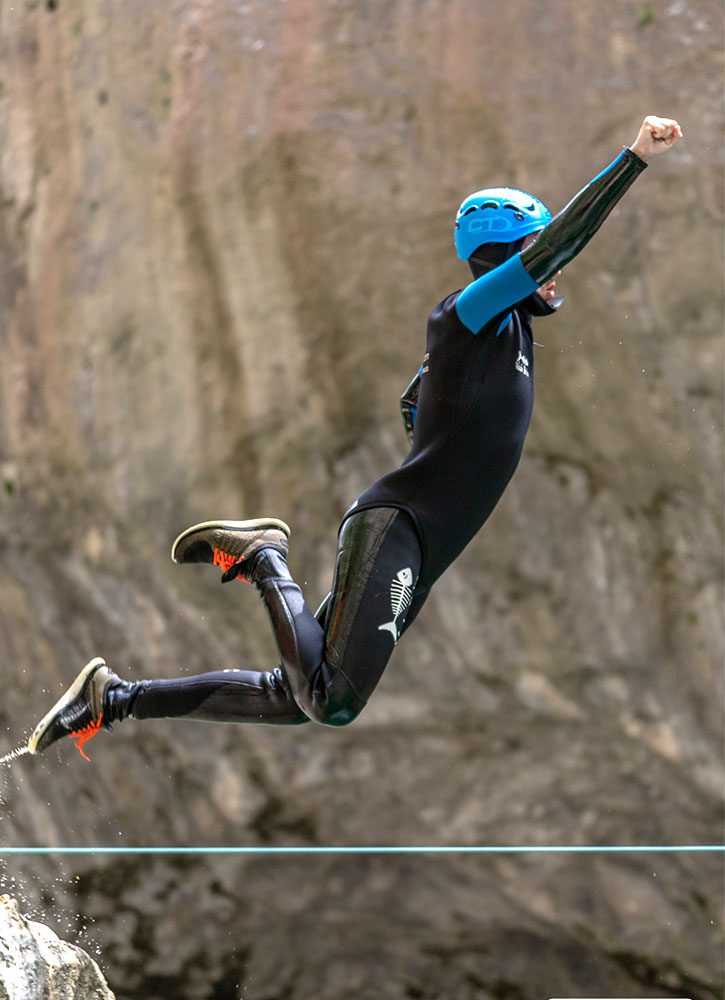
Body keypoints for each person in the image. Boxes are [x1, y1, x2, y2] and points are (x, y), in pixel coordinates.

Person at [28, 115, 683, 761]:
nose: (555, 275)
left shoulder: (502, 336)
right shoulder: (471, 312)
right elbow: (557, 247)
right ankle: (262, 558)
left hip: (420, 549)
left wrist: (433, 432)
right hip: (400, 527)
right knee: (333, 700)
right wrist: (633, 158)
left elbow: (414, 397)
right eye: (538, 254)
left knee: (299, 697)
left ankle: (113, 699)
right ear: (504, 256)